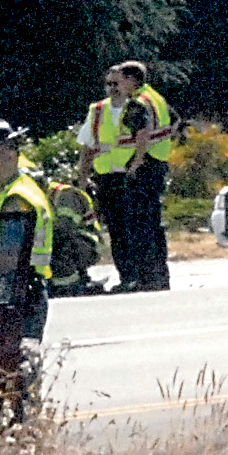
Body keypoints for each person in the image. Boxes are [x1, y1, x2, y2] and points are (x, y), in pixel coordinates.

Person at [80, 60, 176, 292]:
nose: (116, 86)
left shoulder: (138, 103)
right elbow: (172, 122)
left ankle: (143, 278)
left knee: (139, 226)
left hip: (138, 171)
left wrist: (138, 162)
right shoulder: (153, 97)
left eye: (120, 81)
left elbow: (141, 135)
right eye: (110, 83)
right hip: (115, 174)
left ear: (131, 81)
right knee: (144, 225)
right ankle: (155, 277)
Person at [0, 117, 53, 339]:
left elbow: (9, 258)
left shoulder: (16, 198)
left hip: (19, 294)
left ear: (10, 154)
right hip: (8, 293)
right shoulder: (4, 193)